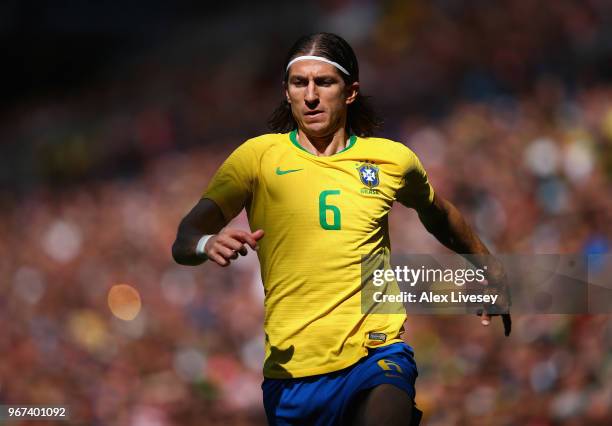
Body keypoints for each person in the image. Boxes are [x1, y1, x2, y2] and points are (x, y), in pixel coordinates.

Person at [172, 32, 510, 426]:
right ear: (287, 91)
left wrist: (488, 266)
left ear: (350, 92)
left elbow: (438, 212)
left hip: (376, 353)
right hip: (292, 376)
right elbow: (184, 239)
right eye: (300, 83)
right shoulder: (257, 158)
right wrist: (207, 242)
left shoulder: (390, 160)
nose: (311, 95)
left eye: (324, 82)